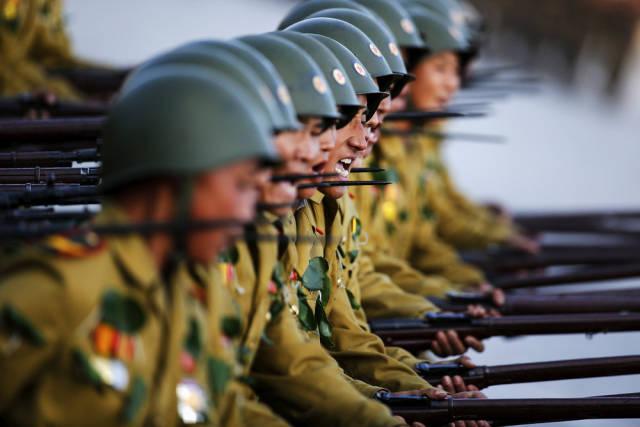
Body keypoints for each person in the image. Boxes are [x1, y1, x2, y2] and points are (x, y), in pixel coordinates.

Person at [0, 67, 277, 425]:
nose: (246, 211)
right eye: (240, 186)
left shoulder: (192, 292)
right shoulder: (64, 286)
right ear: (176, 178)